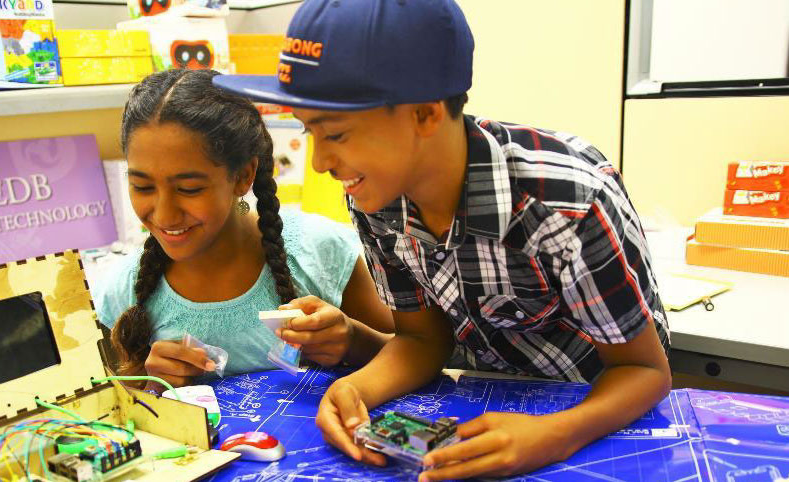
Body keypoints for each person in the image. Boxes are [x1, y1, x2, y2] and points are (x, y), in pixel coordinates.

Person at [213, 0, 671, 479]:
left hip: (594, 414)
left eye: (338, 134)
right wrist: (356, 390)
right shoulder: (377, 194)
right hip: (477, 403)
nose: (320, 163)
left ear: (426, 114)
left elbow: (644, 373)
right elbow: (422, 338)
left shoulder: (568, 201)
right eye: (310, 132)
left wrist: (557, 435)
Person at [93, 68, 393, 389]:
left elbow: (420, 352)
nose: (165, 215)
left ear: (242, 176)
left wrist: (354, 340)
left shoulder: (319, 250)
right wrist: (148, 386)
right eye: (142, 186)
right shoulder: (123, 292)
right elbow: (106, 409)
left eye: (190, 189)